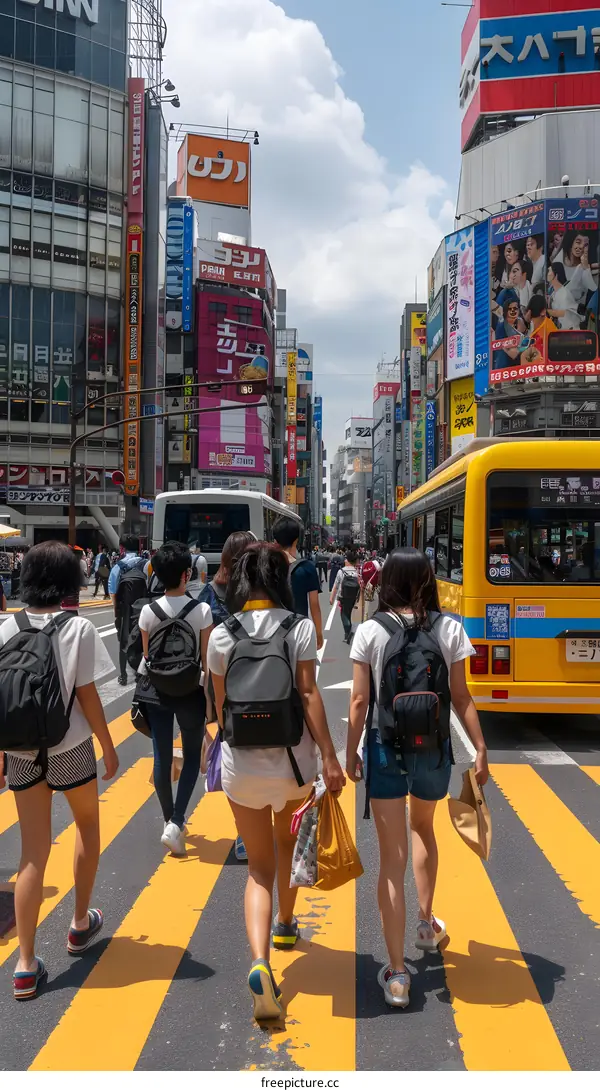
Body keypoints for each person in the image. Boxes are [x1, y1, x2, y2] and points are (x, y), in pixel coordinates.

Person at [207, 543, 345, 1021]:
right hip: (293, 765)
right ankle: (287, 923)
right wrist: (329, 755)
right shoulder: (298, 627)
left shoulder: (222, 635)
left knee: (258, 868)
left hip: (241, 768)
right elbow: (308, 694)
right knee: (287, 852)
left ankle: (260, 962)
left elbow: (220, 709)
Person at [346, 548, 488, 1009]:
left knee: (392, 858)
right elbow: (462, 697)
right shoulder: (449, 629)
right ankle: (426, 924)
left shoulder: (370, 631)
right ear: (428, 581)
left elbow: (358, 703)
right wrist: (480, 749)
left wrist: (350, 756)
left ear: (387, 582)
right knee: (424, 828)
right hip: (435, 750)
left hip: (387, 750)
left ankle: (398, 973)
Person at [0, 541, 117, 1001]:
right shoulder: (80, 628)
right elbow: (87, 696)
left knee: (33, 853)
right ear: (71, 581)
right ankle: (79, 924)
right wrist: (108, 746)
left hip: (23, 753)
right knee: (87, 826)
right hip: (70, 748)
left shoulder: (8, 627)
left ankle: (25, 966)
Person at [136, 542, 212, 857]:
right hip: (191, 691)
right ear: (187, 574)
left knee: (161, 758)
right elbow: (206, 661)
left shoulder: (146, 612)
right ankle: (177, 821)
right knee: (192, 756)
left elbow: (145, 655)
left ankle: (170, 820)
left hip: (155, 691)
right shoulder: (202, 611)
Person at [199, 528, 256, 862]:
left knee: (232, 753)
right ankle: (250, 831)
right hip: (259, 678)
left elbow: (205, 644)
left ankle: (244, 831)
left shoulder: (210, 592)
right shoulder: (257, 590)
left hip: (221, 680)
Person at [272, 515, 323, 649]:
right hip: (299, 629)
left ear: (275, 540)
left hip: (272, 630)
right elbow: (314, 604)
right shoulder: (307, 568)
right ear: (296, 540)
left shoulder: (267, 565)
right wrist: (318, 633)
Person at [109, 534, 147, 685]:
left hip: (126, 610)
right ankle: (141, 672)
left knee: (123, 642)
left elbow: (113, 592)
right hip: (145, 608)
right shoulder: (147, 564)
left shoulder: (118, 567)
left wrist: (117, 614)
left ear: (122, 548)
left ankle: (123, 675)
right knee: (143, 640)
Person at [330, 548, 361, 644]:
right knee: (350, 613)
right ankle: (349, 631)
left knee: (344, 614)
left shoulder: (341, 572)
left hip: (343, 596)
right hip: (353, 597)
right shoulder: (357, 573)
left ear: (347, 560)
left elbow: (335, 586)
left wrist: (331, 598)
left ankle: (348, 632)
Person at [547, 263, 581, 330]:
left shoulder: (564, 295)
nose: (547, 274)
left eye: (550, 271)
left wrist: (547, 311)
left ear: (556, 275)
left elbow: (563, 314)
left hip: (569, 332)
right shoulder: (554, 293)